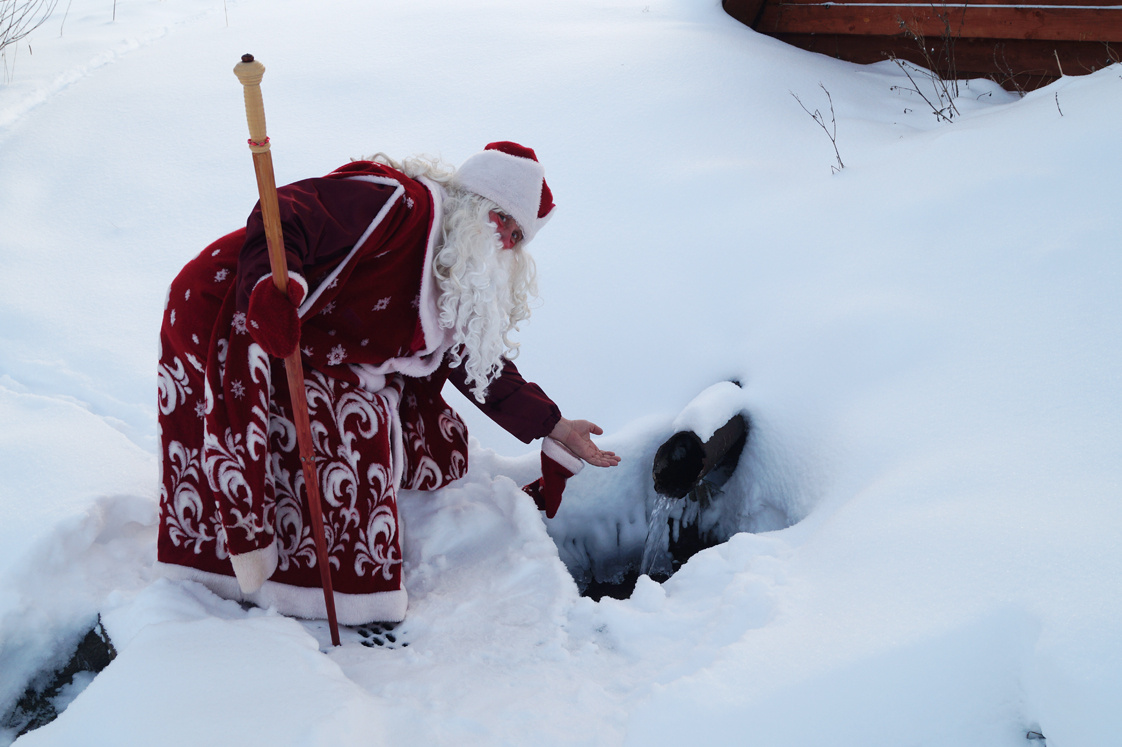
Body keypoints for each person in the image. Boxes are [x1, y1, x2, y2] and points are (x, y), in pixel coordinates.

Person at [156, 141, 620, 625]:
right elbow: (285, 212)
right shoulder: (397, 204)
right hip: (228, 305)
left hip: (309, 340)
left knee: (388, 424)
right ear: (470, 199)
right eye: (500, 217)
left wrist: (554, 425)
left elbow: (477, 365)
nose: (503, 236)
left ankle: (312, 581)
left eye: (516, 235)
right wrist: (275, 291)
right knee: (349, 429)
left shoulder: (451, 270)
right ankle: (270, 583)